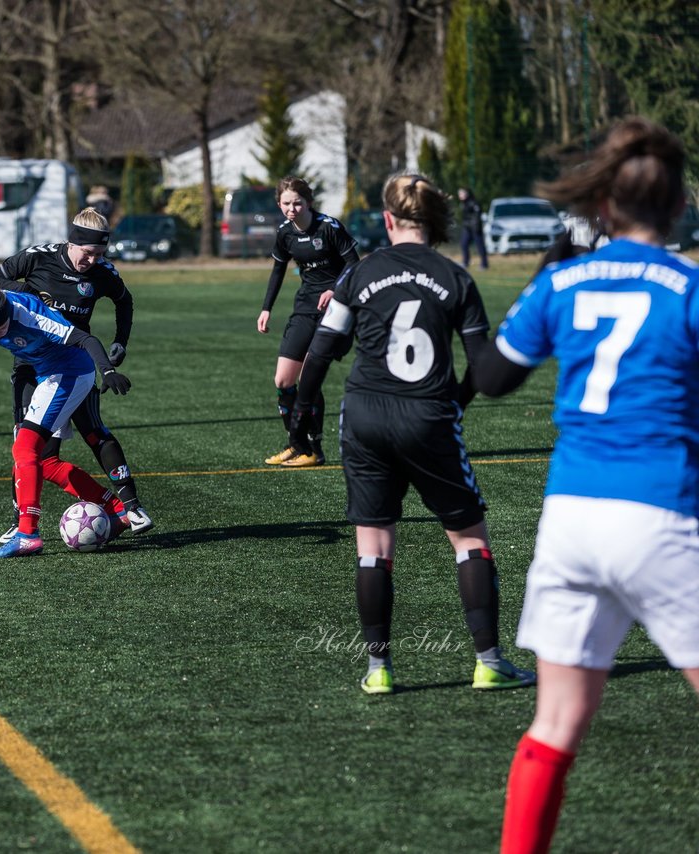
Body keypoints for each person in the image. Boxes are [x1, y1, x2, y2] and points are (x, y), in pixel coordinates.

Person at [468, 117, 699, 854]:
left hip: (569, 521)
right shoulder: (689, 285)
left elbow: (493, 379)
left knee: (556, 724)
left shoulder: (563, 282)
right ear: (680, 204)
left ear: (602, 204)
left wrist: (551, 268)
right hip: (660, 515)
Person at [287, 172, 536, 695]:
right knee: (468, 539)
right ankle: (488, 661)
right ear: (436, 221)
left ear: (387, 219)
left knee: (374, 544)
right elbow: (484, 367)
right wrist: (457, 403)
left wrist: (302, 411)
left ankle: (379, 671)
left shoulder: (360, 274)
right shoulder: (456, 278)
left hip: (365, 417)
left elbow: (323, 351)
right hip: (427, 416)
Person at [0, 207, 153, 541]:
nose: (93, 260)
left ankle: (131, 506)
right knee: (30, 449)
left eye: (100, 254)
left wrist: (121, 343)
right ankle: (22, 522)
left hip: (75, 362)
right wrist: (26, 293)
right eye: (88, 253)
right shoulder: (37, 258)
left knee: (93, 430)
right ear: (72, 241)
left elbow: (125, 302)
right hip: (30, 364)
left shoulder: (103, 272)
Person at [0, 285, 132, 558]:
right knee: (46, 463)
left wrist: (107, 370)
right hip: (46, 375)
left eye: (2, 326)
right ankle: (116, 510)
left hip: (70, 373)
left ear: (7, 312)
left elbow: (86, 339)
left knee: (24, 449)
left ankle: (27, 534)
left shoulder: (30, 316)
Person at [257, 176, 360, 467]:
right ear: (279, 204)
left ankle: (313, 449)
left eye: (297, 203)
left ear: (308, 202)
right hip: (304, 307)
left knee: (308, 380)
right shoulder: (284, 233)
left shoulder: (329, 227)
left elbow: (354, 264)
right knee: (283, 380)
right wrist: (266, 309)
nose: (291, 209)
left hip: (335, 309)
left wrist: (335, 290)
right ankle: (295, 444)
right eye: (286, 203)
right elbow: (277, 271)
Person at [458, 187, 489, 269]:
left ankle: (484, 264)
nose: (460, 195)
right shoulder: (463, 204)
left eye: (462, 193)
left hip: (475, 228)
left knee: (480, 246)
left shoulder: (473, 202)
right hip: (467, 228)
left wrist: (475, 226)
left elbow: (477, 215)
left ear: (467, 193)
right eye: (459, 194)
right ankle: (465, 262)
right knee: (464, 244)